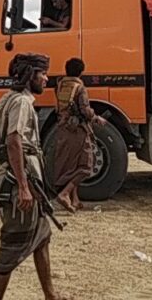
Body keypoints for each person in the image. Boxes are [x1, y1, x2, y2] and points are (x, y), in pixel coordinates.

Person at [0, 53, 68, 300]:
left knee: (42, 237)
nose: (46, 79)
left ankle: (50, 296)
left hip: (24, 181)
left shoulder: (7, 98)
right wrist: (23, 186)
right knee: (11, 246)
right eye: (42, 74)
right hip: (18, 184)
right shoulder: (21, 102)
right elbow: (13, 141)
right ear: (30, 75)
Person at [52, 58, 105, 213]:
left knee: (72, 165)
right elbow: (85, 110)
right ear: (81, 72)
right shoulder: (80, 87)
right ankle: (64, 194)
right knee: (86, 166)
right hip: (78, 130)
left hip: (63, 127)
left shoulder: (60, 85)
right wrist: (97, 118)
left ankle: (75, 200)